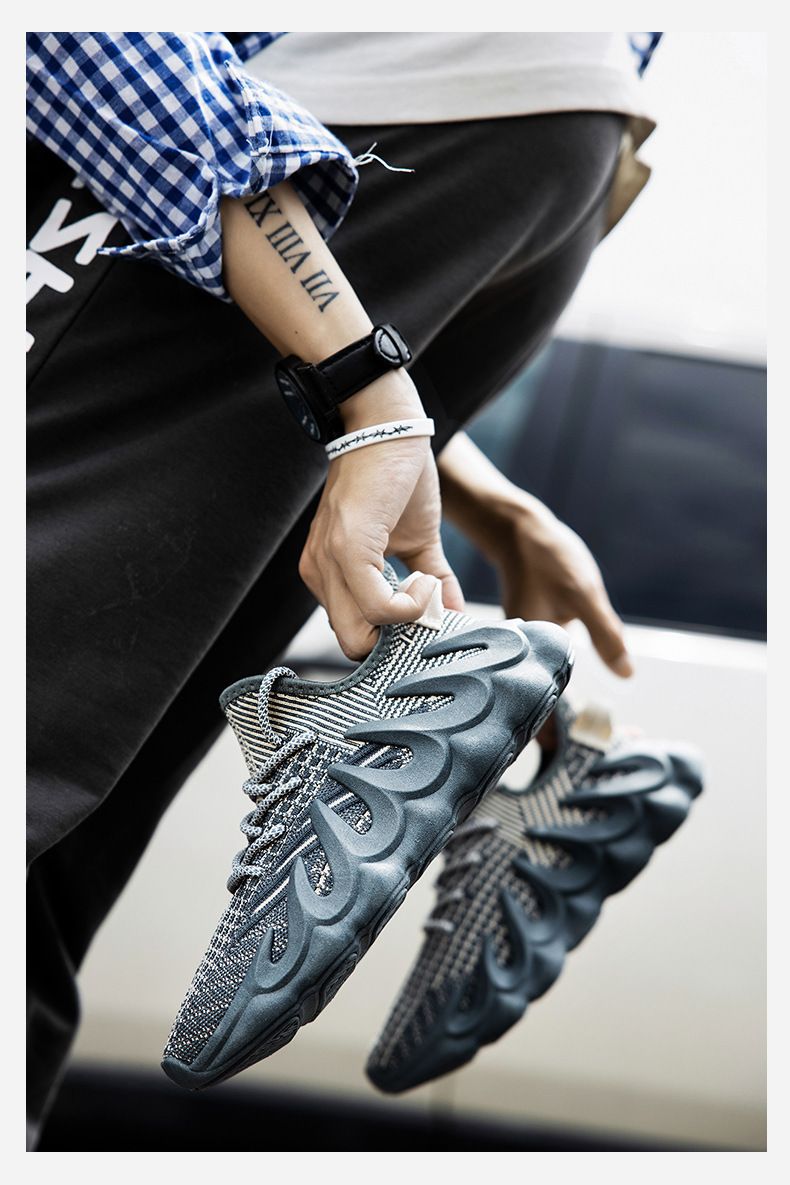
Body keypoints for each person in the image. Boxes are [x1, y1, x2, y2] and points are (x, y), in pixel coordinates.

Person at [26, 31, 657, 1145]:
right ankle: (391, 707)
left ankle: (378, 704)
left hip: (322, 123)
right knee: (42, 868)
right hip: (535, 151)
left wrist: (364, 387)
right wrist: (463, 474)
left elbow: (82, 37)